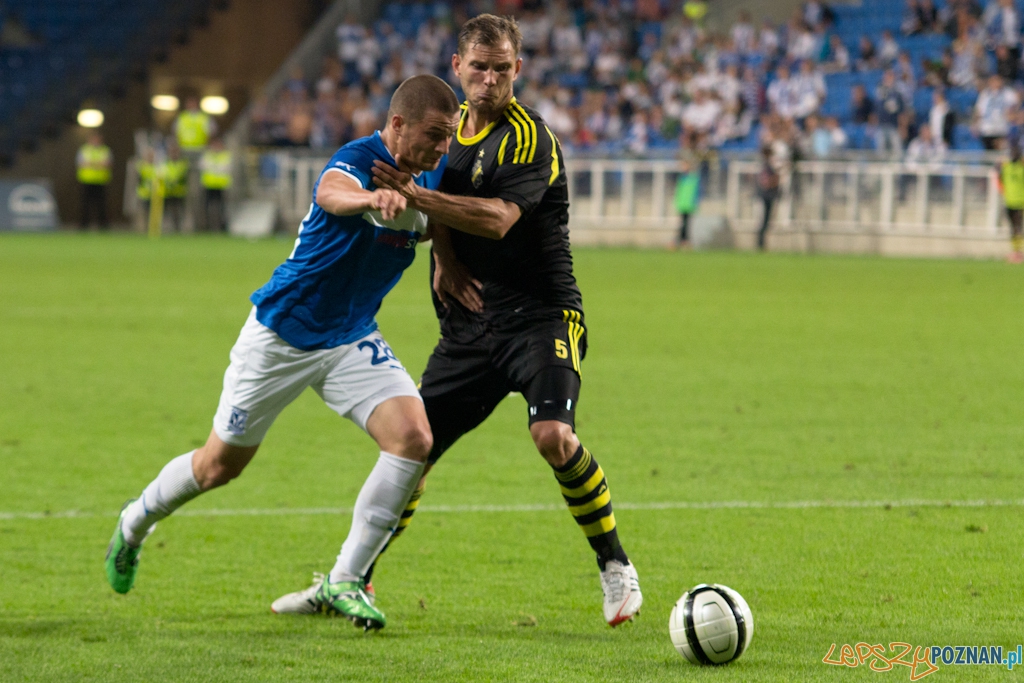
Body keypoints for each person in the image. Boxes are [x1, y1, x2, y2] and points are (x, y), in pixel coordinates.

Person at [279, 13, 644, 628]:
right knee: (412, 454)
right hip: (471, 325)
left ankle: (615, 565)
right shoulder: (441, 131)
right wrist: (443, 257)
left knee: (553, 437)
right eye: (480, 67)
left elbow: (498, 217)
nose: (491, 80)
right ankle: (347, 580)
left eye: (503, 69)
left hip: (541, 316)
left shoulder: (527, 138)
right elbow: (441, 211)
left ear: (518, 71)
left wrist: (418, 199)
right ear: (458, 68)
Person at [103, 75, 463, 633]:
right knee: (218, 466)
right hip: (282, 335)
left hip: (349, 337)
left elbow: (438, 223)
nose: (443, 147)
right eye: (434, 135)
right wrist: (372, 198)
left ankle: (346, 578)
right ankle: (135, 522)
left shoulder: (430, 176)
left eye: (448, 137)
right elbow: (329, 192)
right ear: (397, 125)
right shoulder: (359, 159)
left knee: (414, 438)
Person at [76, 132, 112, 230]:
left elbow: (107, 163)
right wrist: (98, 164)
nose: (96, 141)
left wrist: (91, 163)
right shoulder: (84, 150)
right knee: (85, 204)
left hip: (100, 181)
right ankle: (84, 225)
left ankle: (103, 225)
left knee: (101, 205)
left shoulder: (105, 150)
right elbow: (81, 163)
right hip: (87, 181)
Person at [199, 138, 232, 232]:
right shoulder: (207, 155)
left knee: (222, 208)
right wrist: (217, 169)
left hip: (221, 185)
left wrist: (213, 168)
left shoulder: (225, 156)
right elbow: (202, 166)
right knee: (206, 207)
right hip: (208, 185)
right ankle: (206, 227)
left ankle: (222, 227)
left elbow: (226, 168)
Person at [998, 143, 1024, 263]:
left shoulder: (1006, 168)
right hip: (1013, 201)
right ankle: (1016, 252)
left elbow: (998, 173)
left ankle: (1018, 252)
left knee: (1016, 228)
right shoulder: (1017, 169)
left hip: (1017, 202)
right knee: (1015, 228)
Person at [756, 145, 780, 251]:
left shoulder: (765, 165)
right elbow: (769, 181)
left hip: (765, 194)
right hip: (768, 195)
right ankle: (761, 244)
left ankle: (761, 243)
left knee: (765, 220)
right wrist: (776, 178)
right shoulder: (768, 166)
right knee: (765, 220)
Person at [162, 143, 190, 233]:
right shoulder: (165, 163)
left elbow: (182, 175)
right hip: (167, 191)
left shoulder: (183, 163)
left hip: (179, 191)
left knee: (179, 211)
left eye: (175, 152)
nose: (174, 154)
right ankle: (167, 228)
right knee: (167, 211)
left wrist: (173, 181)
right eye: (172, 152)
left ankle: (178, 228)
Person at [674, 158, 700, 248]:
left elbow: (695, 192)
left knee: (686, 224)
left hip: (689, 204)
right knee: (683, 224)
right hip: (682, 204)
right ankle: (682, 241)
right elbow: (679, 192)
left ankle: (682, 241)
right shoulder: (681, 178)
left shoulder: (693, 178)